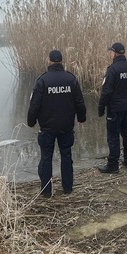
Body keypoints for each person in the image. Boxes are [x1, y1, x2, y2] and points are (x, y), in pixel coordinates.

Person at [27, 50, 86, 197]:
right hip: (66, 126)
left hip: (47, 127)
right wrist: (81, 117)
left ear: (49, 61)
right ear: (61, 61)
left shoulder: (43, 80)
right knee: (66, 156)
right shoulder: (70, 79)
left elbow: (35, 104)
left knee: (46, 158)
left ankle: (46, 191)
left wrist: (31, 121)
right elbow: (79, 101)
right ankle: (68, 188)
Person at [97, 42, 127, 173]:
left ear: (115, 53)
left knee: (113, 136)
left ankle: (113, 166)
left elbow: (106, 91)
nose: (111, 54)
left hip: (115, 109)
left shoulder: (113, 69)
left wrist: (101, 108)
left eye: (111, 52)